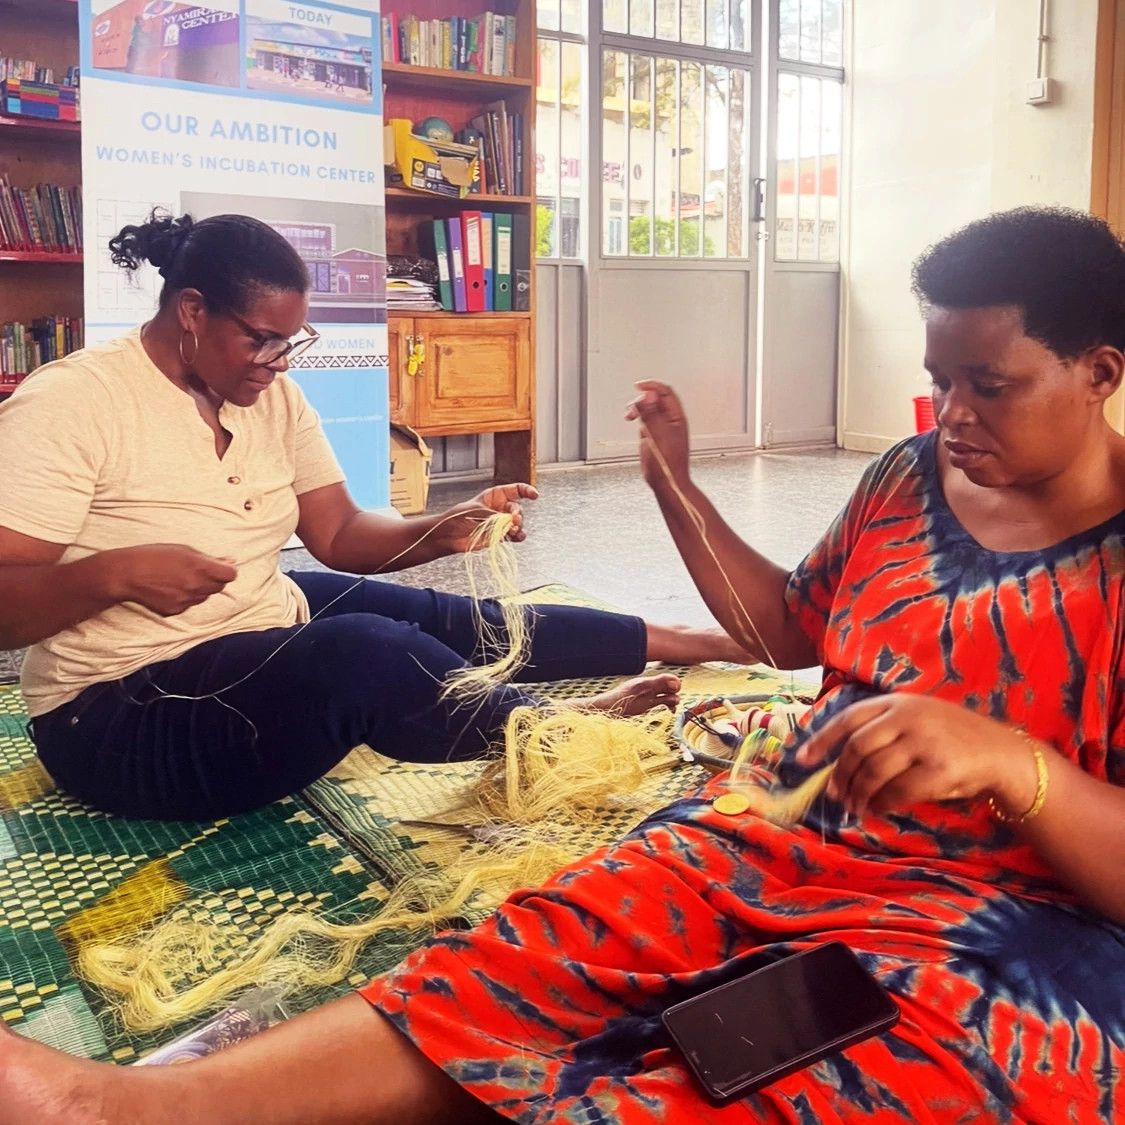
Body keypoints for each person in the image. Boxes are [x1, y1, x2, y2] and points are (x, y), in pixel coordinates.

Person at [3, 204, 1125, 1124]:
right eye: (943, 380)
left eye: (991, 384)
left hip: (1004, 914)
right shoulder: (912, 475)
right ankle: (125, 1109)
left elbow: (343, 538)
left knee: (846, 1080)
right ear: (192, 316)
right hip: (797, 828)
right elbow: (793, 637)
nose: (954, 417)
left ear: (1101, 372)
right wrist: (676, 486)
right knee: (554, 933)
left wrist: (1019, 767)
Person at [0, 210, 751, 822]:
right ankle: (563, 726)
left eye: (288, 341)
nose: (275, 361)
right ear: (190, 311)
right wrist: (114, 576)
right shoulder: (75, 401)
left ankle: (685, 637)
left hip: (251, 628)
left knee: (433, 616)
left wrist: (439, 530)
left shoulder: (273, 396)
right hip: (117, 719)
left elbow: (337, 536)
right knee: (364, 651)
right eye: (258, 339)